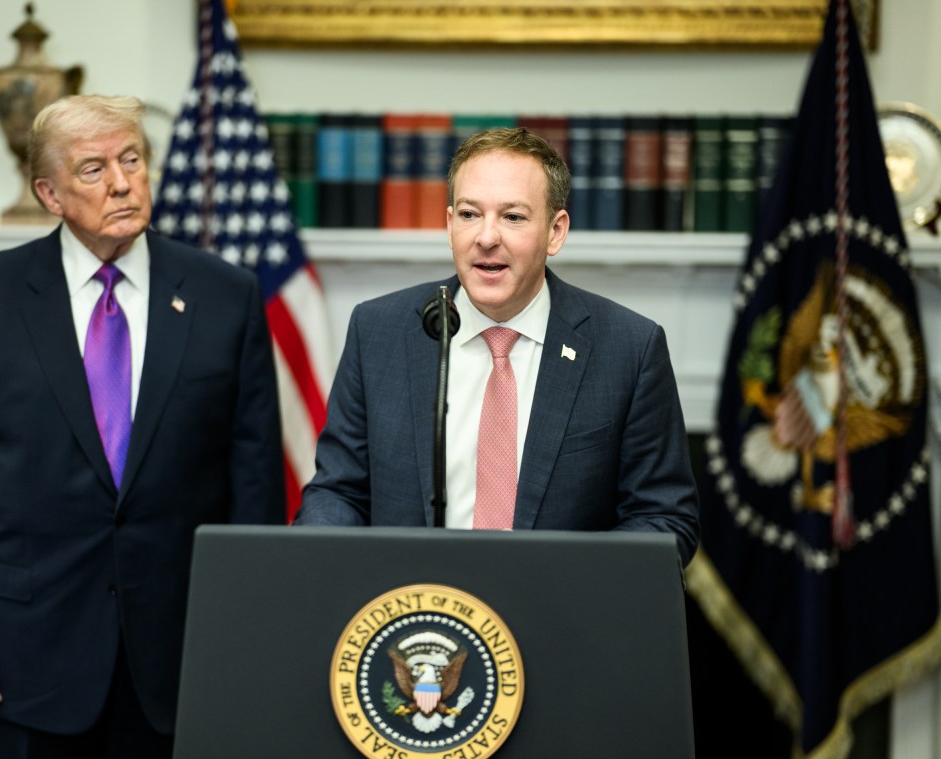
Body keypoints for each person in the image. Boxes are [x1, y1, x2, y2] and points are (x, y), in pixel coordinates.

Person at [0, 94, 284, 759]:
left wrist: (248, 638)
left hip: (181, 654)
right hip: (28, 652)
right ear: (48, 193)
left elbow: (255, 481)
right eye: (93, 169)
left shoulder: (225, 296)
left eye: (132, 159)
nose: (121, 182)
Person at [296, 127, 698, 565]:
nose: (487, 237)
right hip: (412, 616)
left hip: (560, 619)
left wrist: (571, 584)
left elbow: (662, 517)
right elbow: (340, 493)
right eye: (470, 214)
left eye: (513, 217)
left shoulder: (629, 349)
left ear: (555, 231)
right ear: (449, 225)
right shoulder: (378, 332)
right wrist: (317, 564)